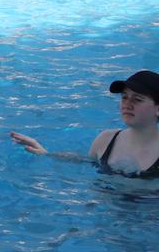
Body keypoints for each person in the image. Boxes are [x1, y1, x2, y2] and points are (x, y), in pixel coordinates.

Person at [11, 70, 159, 179]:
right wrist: (46, 153)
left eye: (137, 99)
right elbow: (86, 162)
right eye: (124, 97)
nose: (127, 104)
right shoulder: (106, 139)